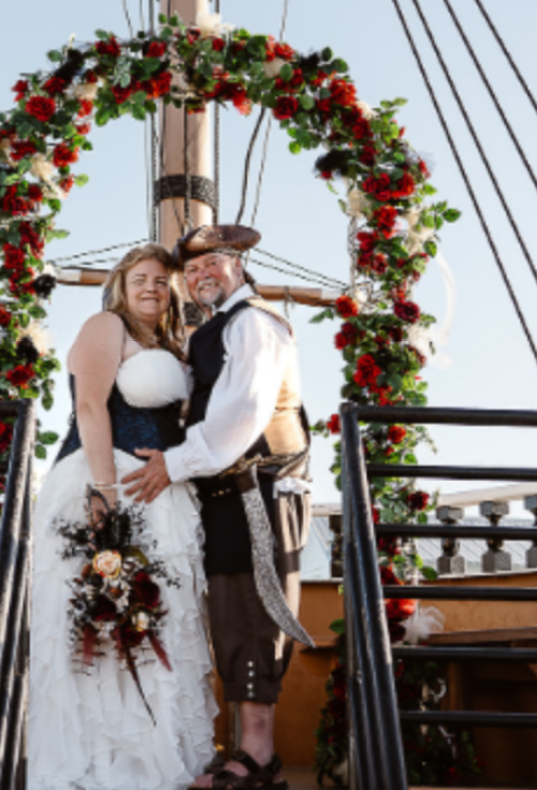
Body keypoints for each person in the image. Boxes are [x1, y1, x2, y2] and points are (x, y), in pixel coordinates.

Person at [125, 225, 312, 790]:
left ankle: (258, 756)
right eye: (193, 269)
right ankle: (245, 749)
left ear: (238, 266)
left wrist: (171, 466)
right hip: (227, 492)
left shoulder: (253, 322)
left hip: (257, 488)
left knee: (252, 616)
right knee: (230, 617)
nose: (202, 274)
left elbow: (242, 414)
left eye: (214, 264)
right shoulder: (217, 328)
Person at [29, 243, 218, 790]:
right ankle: (97, 764)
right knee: (97, 620)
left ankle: (155, 759)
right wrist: (103, 492)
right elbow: (90, 405)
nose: (152, 287)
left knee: (159, 620)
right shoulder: (104, 325)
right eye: (142, 277)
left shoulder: (172, 345)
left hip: (161, 492)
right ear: (121, 282)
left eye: (162, 280)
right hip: (102, 478)